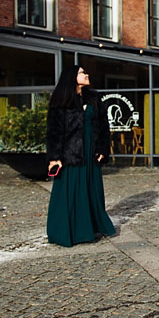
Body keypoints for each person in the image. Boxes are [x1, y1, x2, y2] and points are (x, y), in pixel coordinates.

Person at [46, 65, 116, 247]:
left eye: (86, 72)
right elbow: (54, 131)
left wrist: (102, 149)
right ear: (72, 77)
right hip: (71, 154)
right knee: (71, 193)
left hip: (91, 152)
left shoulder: (94, 98)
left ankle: (91, 228)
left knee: (91, 190)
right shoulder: (61, 100)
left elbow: (103, 127)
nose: (87, 75)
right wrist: (55, 157)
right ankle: (68, 231)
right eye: (82, 73)